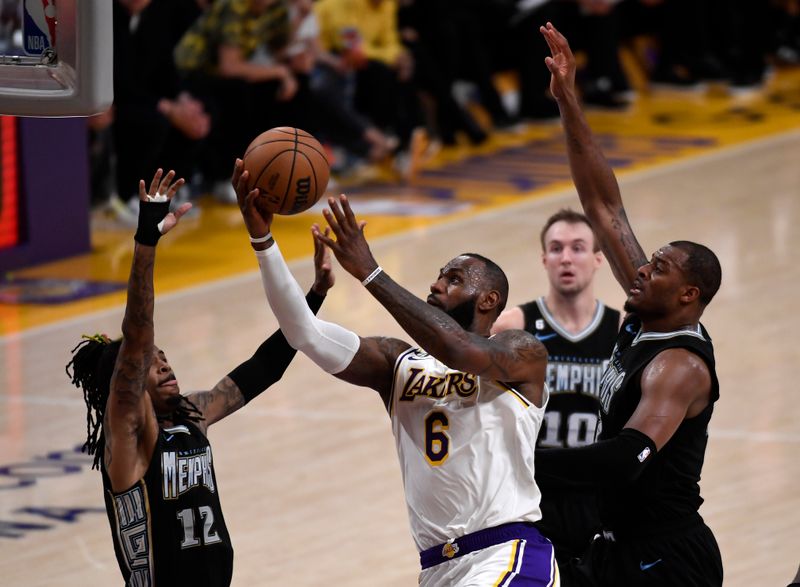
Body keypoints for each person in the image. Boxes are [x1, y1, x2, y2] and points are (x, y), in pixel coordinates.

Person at [231, 160, 559, 586]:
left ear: (488, 300)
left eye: (455, 278)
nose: (438, 284)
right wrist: (262, 240)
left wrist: (371, 272)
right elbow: (303, 333)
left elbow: (457, 349)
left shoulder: (520, 353)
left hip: (507, 555)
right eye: (440, 275)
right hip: (437, 568)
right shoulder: (397, 363)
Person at [66, 168, 332, 586]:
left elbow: (263, 369)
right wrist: (146, 242)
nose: (165, 365)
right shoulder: (131, 435)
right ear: (128, 383)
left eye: (165, 358)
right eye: (152, 363)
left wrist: (313, 297)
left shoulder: (192, 414)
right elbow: (137, 331)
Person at [534, 22, 723, 586]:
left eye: (658, 268)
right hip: (616, 544)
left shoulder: (678, 366)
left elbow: (625, 457)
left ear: (688, 295)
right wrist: (569, 101)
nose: (641, 269)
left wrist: (522, 460)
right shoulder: (650, 307)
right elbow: (602, 204)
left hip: (665, 557)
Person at [491, 208, 620, 584]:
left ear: (598, 259)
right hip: (530, 493)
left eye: (578, 248)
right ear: (544, 259)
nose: (566, 257)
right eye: (556, 248)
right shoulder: (514, 325)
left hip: (597, 497)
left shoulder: (620, 329)